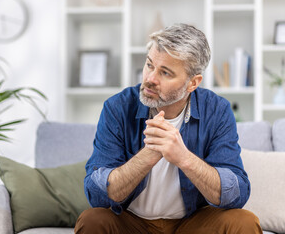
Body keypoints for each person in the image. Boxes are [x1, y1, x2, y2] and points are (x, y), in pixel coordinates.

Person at [74, 23, 262, 234]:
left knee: (244, 222)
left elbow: (237, 193)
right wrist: (148, 155)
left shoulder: (217, 110)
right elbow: (96, 194)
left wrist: (183, 158)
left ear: (193, 83)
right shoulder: (117, 107)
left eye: (165, 73)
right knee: (92, 220)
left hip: (192, 224)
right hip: (132, 222)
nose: (150, 79)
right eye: (149, 65)